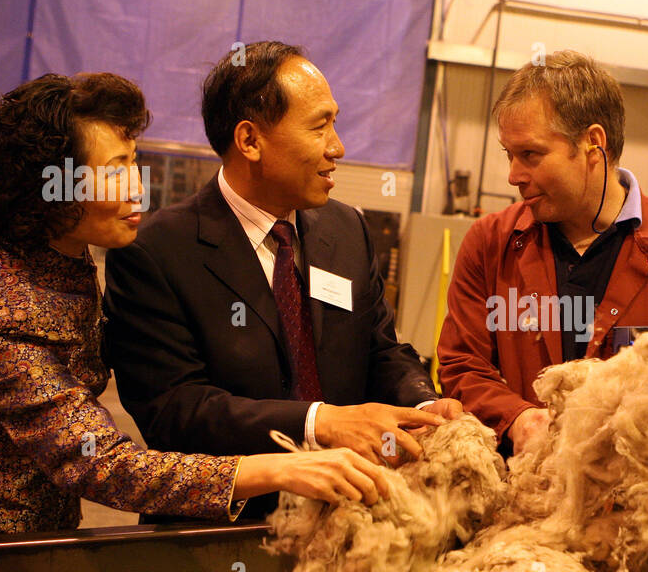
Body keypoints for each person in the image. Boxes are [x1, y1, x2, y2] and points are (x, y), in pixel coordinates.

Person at [0, 73, 388, 541]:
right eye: (113, 171)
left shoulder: (57, 253)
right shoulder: (5, 313)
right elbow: (101, 464)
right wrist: (279, 467)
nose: (136, 188)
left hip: (39, 536)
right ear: (50, 188)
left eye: (133, 161)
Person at [104, 42, 460, 524]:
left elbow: (380, 349)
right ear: (250, 141)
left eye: (335, 123)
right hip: (221, 530)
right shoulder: (158, 252)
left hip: (348, 522)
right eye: (320, 126)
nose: (338, 147)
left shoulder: (346, 230)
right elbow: (175, 410)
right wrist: (319, 424)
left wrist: (423, 402)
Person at [437, 50, 648, 453]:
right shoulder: (489, 244)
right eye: (509, 154)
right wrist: (517, 417)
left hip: (645, 502)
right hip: (519, 494)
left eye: (530, 155)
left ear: (593, 143)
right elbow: (463, 364)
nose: (513, 175)